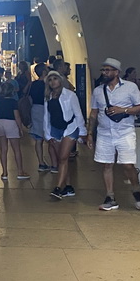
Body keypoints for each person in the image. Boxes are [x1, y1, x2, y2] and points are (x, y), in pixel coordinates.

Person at [90, 58, 140, 211]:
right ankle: (110, 196)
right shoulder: (98, 91)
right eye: (103, 70)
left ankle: (136, 191)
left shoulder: (130, 87)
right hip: (104, 133)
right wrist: (89, 132)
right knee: (107, 164)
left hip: (125, 131)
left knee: (128, 165)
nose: (104, 72)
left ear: (117, 72)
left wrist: (124, 110)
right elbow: (94, 113)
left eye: (108, 70)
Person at [44, 70, 87, 199]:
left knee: (63, 158)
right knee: (61, 160)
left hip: (70, 128)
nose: (53, 82)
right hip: (55, 129)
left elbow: (78, 113)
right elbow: (47, 117)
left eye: (55, 79)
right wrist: (47, 134)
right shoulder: (48, 96)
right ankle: (68, 186)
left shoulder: (70, 95)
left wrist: (82, 131)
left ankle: (57, 188)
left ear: (60, 80)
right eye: (50, 80)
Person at [0, 81, 29, 180]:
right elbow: (17, 116)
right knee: (16, 149)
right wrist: (20, 128)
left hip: (0, 123)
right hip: (11, 123)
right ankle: (20, 171)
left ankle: (4, 172)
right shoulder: (13, 102)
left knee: (3, 149)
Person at [29, 63, 51, 172]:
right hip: (45, 109)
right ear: (44, 72)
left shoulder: (33, 84)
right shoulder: (47, 85)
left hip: (35, 109)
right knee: (50, 137)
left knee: (38, 139)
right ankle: (55, 163)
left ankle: (41, 162)